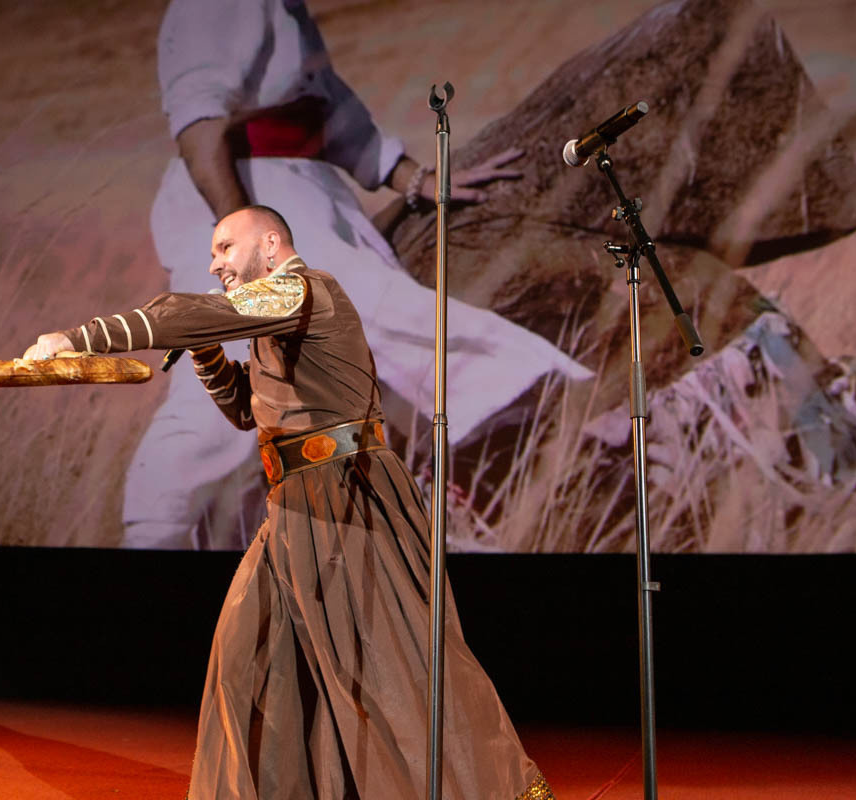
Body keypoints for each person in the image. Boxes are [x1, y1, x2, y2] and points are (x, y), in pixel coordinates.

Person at [25, 206, 554, 800]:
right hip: (296, 505)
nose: (215, 262)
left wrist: (78, 339)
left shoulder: (304, 290)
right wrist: (204, 351)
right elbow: (246, 411)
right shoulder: (276, 317)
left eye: (226, 247)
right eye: (214, 251)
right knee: (248, 656)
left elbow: (185, 310)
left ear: (271, 244)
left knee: (392, 668)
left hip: (349, 499)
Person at [123, 0, 592, 550]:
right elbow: (201, 137)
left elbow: (332, 114)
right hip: (248, 203)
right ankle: (151, 538)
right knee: (235, 387)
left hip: (303, 198)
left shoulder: (283, 8)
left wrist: (414, 178)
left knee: (363, 348)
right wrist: (245, 249)